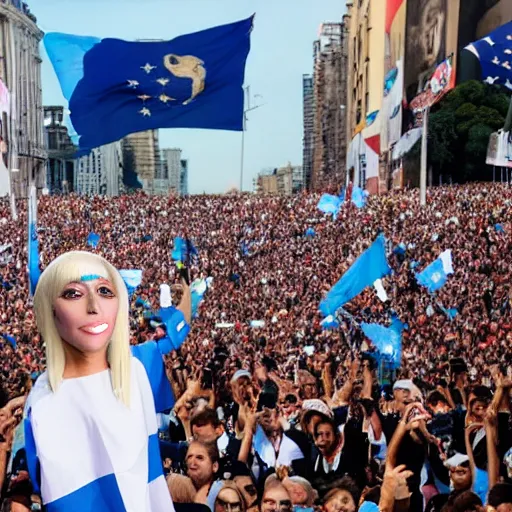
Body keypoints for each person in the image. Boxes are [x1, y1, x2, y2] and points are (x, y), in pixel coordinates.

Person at [24, 251, 190, 510]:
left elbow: (179, 327)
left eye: (105, 291)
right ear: (50, 310)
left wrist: (187, 288)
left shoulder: (136, 367)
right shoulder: (40, 403)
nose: (93, 306)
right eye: (73, 293)